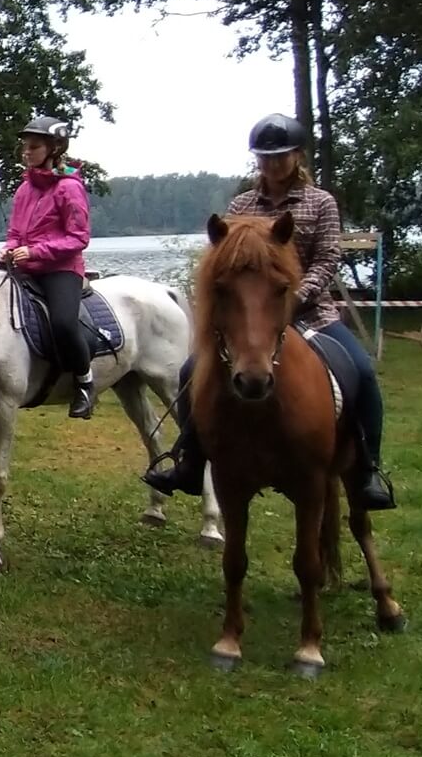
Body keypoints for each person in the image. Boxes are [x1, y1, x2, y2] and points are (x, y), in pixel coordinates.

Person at [144, 112, 396, 509]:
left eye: (281, 156)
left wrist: (294, 298)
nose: (273, 164)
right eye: (265, 157)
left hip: (311, 315)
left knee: (362, 370)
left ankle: (368, 469)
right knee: (192, 369)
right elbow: (225, 264)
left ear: (297, 156)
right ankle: (190, 461)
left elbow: (327, 258)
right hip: (248, 319)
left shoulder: (320, 202)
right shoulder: (241, 205)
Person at [0, 115, 96, 419]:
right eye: (25, 147)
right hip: (26, 265)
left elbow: (79, 238)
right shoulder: (24, 189)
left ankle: (84, 382)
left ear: (54, 148)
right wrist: (9, 249)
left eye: (33, 147)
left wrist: (35, 251)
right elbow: (15, 232)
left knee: (63, 324)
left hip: (60, 269)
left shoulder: (69, 187)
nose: (26, 152)